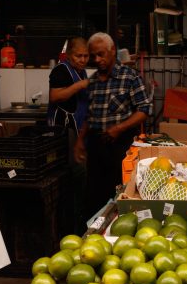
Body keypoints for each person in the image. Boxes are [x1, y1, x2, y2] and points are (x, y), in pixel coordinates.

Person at [75, 32, 152, 223]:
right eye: (93, 56)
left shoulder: (130, 77)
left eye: (101, 54)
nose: (96, 60)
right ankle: (95, 232)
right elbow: (88, 116)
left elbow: (144, 109)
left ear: (113, 51)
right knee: (94, 197)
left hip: (121, 147)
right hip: (96, 146)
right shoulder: (92, 82)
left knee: (120, 194)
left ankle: (119, 230)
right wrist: (79, 141)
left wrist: (119, 128)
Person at [47, 37, 90, 133]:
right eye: (78, 56)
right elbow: (54, 96)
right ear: (69, 55)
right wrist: (80, 85)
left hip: (77, 125)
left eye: (86, 56)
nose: (83, 60)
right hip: (62, 127)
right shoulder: (61, 70)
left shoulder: (82, 71)